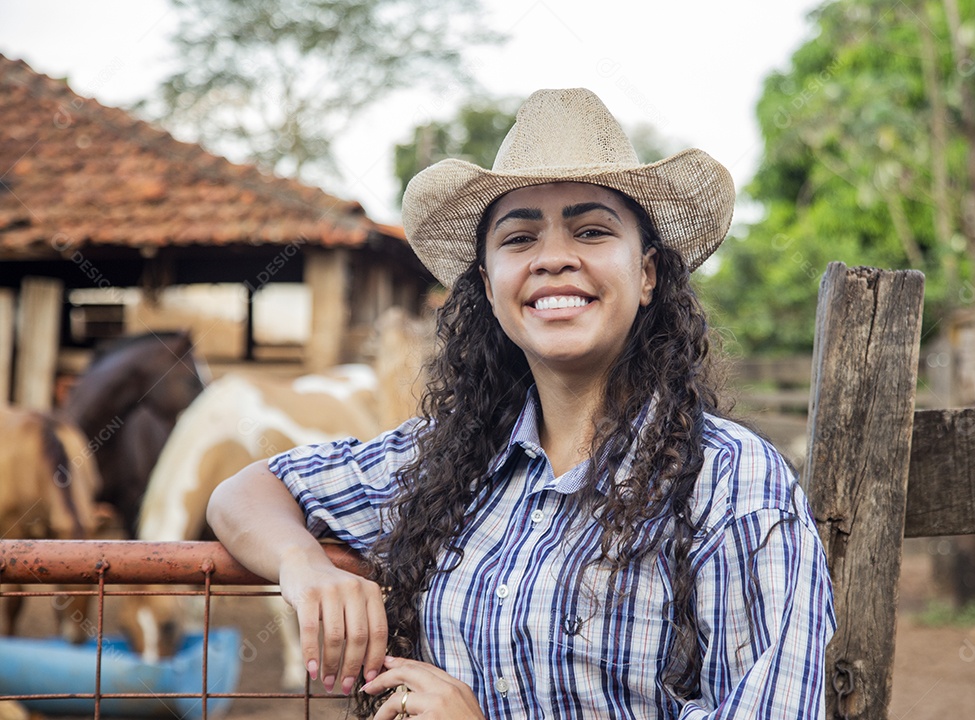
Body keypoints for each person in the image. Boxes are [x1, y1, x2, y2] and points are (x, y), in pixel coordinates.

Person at [207, 87, 835, 719]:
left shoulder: (732, 482)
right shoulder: (449, 463)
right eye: (519, 238)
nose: (554, 259)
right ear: (488, 282)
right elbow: (246, 492)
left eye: (591, 231)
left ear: (646, 274)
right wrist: (303, 564)